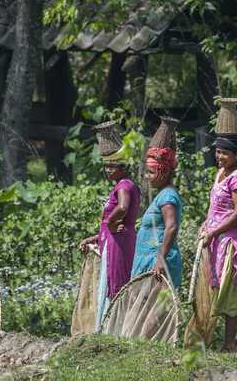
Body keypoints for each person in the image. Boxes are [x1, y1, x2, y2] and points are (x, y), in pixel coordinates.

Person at [80, 121, 140, 329]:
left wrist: (110, 221)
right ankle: (111, 328)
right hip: (117, 239)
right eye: (106, 165)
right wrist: (97, 237)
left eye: (112, 165)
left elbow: (122, 208)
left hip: (118, 242)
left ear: (123, 166)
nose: (108, 170)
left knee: (115, 282)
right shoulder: (128, 184)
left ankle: (111, 329)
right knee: (115, 280)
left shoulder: (123, 186)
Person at [198, 136, 237, 352]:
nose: (220, 157)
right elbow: (217, 208)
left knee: (229, 290)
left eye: (225, 153)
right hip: (215, 239)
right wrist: (205, 225)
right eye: (218, 152)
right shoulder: (220, 173)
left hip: (228, 241)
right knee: (234, 291)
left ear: (236, 155)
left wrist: (214, 231)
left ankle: (229, 345)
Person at [131, 146, 183, 288]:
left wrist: (160, 260)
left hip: (157, 265)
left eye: (151, 172)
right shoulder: (163, 194)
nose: (147, 176)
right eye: (146, 172)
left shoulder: (167, 196)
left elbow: (171, 227)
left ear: (164, 173)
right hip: (150, 261)